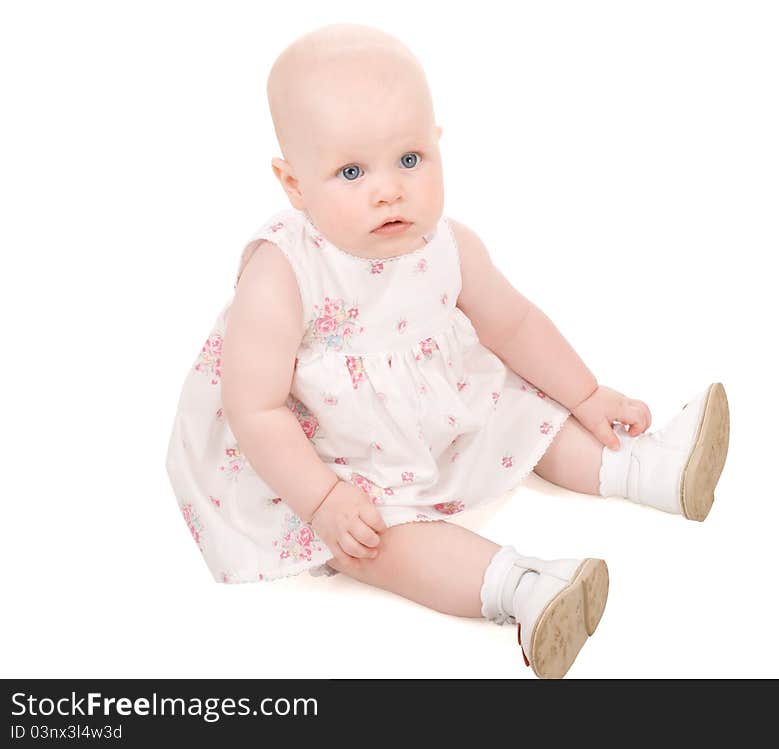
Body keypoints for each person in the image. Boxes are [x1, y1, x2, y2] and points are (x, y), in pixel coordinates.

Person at [165, 23, 730, 679]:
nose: (389, 189)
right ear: (293, 184)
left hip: (435, 405)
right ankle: (523, 588)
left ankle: (645, 468)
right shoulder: (283, 271)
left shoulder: (447, 245)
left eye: (409, 159)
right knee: (371, 538)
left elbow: (513, 325)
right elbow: (255, 407)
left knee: (520, 405)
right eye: (351, 171)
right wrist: (321, 498)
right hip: (319, 454)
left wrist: (585, 393)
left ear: (437, 145)